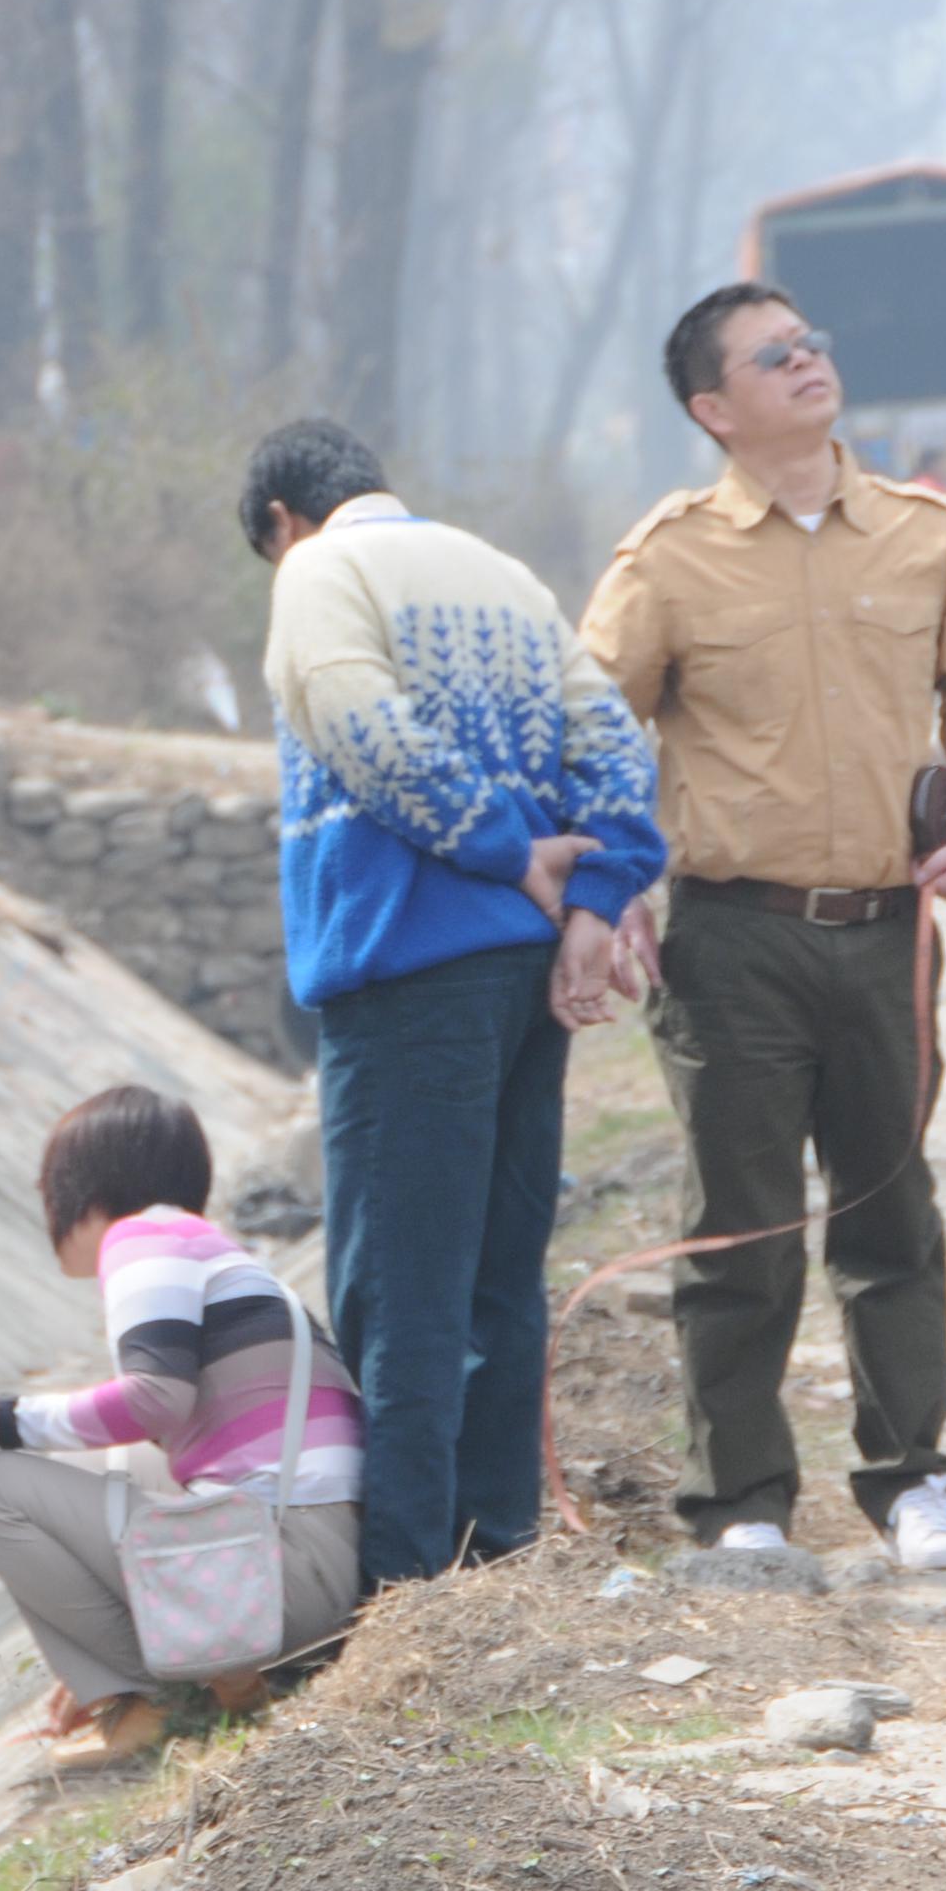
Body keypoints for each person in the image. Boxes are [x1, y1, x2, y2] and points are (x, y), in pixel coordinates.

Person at [579, 285, 946, 1568]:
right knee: (741, 1230)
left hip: (884, 930)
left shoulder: (922, 534)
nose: (808, 361)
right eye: (773, 356)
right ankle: (743, 1500)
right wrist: (604, 896)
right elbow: (595, 729)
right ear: (714, 408)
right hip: (730, 938)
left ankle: (911, 1478)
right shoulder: (667, 558)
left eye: (811, 341)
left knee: (890, 1211)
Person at [242, 418, 665, 1589]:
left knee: (400, 1287)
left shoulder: (320, 571)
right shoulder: (504, 576)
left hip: (409, 971)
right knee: (498, 1265)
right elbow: (619, 756)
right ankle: (500, 1544)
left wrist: (505, 852)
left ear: (281, 521)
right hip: (524, 979)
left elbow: (365, 733)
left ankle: (404, 1579)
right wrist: (595, 894)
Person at [0, 1086, 365, 1772]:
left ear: (81, 1192)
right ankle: (155, 1680)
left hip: (289, 1578)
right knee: (104, 1465)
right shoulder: (202, 1245)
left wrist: (1, 1417)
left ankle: (149, 1701)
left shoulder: (138, 1239)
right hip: (324, 1560)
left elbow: (156, 1399)